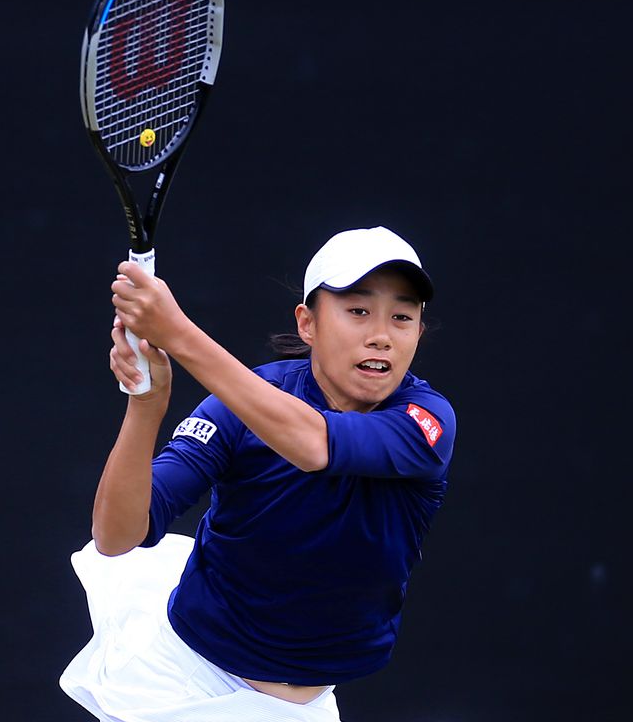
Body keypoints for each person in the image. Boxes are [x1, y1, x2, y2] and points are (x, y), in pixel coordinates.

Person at [60, 226, 457, 721]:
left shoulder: (427, 420)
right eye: (358, 311)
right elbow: (117, 536)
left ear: (419, 333)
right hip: (184, 681)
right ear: (307, 324)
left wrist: (177, 333)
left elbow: (313, 445)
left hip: (305, 708)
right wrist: (146, 403)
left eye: (402, 317)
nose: (381, 334)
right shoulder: (237, 407)